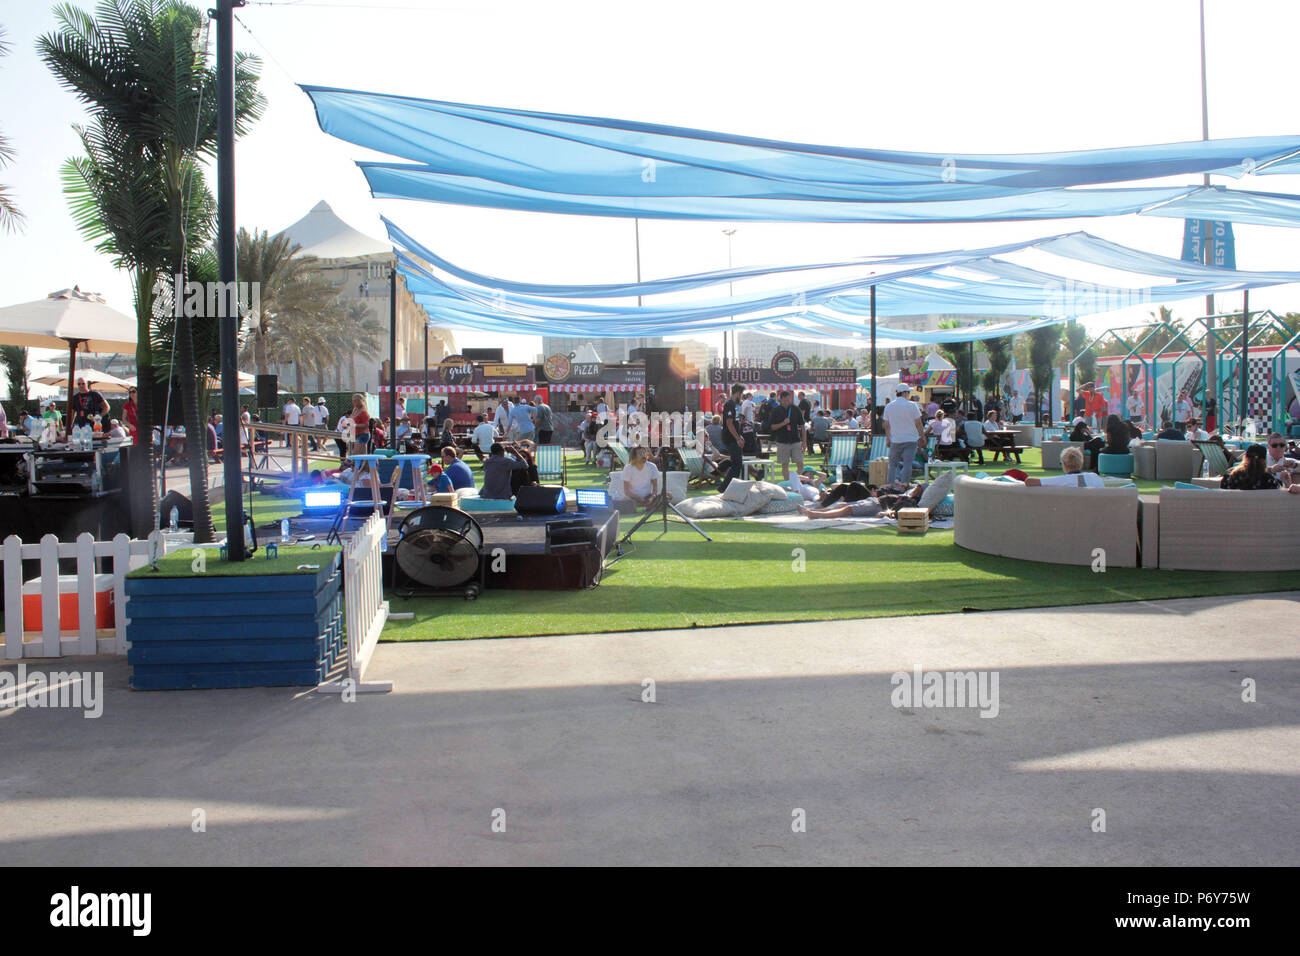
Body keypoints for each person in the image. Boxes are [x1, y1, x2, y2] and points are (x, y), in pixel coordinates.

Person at [1220, 443, 1300, 493]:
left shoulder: (1229, 476)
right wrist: (1287, 483)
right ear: (1264, 460)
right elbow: (1280, 499)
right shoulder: (1267, 479)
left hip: (1233, 517)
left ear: (1245, 457)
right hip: (1262, 518)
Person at [884, 383, 922, 486]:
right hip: (911, 439)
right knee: (907, 464)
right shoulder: (912, 405)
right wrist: (921, 436)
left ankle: (890, 484)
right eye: (908, 392)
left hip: (896, 439)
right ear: (905, 393)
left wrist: (888, 438)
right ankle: (904, 484)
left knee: (892, 465)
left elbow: (887, 425)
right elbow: (918, 423)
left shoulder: (889, 406)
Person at [769, 390, 806, 481]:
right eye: (785, 400)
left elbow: (802, 426)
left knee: (800, 463)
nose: (787, 402)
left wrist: (804, 442)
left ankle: (795, 481)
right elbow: (772, 427)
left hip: (795, 440)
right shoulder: (776, 410)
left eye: (789, 400)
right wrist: (783, 423)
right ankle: (787, 483)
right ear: (780, 400)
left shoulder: (795, 409)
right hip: (782, 441)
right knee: (785, 465)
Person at [1024, 446, 1106, 486]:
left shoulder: (1061, 480)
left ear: (1064, 464)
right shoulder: (1095, 478)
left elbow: (1028, 481)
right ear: (1081, 462)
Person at [719, 383, 746, 492]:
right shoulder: (729, 404)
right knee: (737, 465)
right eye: (741, 394)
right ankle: (724, 488)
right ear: (738, 393)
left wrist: (740, 436)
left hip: (734, 438)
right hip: (730, 438)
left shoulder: (735, 405)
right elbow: (729, 424)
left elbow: (735, 424)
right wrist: (737, 438)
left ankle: (728, 487)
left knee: (737, 463)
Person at [618, 446, 661, 511]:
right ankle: (646, 507)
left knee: (666, 496)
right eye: (640, 453)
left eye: (644, 453)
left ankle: (644, 507)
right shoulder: (628, 468)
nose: (643, 455)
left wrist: (652, 497)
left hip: (648, 497)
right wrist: (639, 498)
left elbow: (655, 489)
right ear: (634, 456)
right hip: (633, 498)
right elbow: (627, 491)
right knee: (625, 500)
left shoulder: (652, 466)